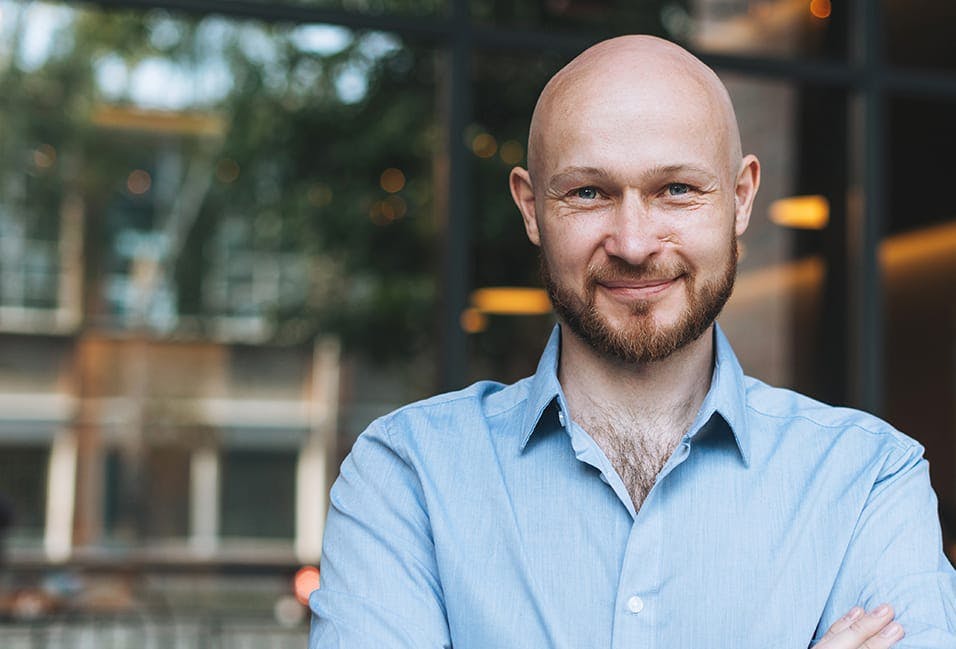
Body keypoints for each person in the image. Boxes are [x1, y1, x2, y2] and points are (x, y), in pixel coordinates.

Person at [309, 35, 956, 648]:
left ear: (741, 197)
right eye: (589, 192)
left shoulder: (870, 479)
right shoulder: (408, 477)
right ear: (532, 208)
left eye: (676, 190)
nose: (635, 242)